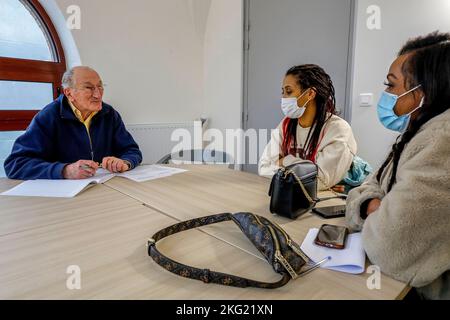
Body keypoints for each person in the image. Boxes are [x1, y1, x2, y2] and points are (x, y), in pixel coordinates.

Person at [345, 32, 450, 300]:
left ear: (424, 92)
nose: (386, 94)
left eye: (391, 85)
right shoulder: (417, 132)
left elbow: (390, 245)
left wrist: (370, 205)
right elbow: (371, 182)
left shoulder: (441, 140)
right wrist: (375, 205)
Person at [4, 66, 142, 180]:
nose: (98, 95)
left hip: (107, 188)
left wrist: (124, 163)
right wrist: (65, 170)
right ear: (69, 93)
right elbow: (15, 164)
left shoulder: (109, 114)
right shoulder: (48, 116)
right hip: (63, 197)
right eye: (89, 88)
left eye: (100, 87)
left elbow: (132, 150)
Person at [258, 64, 357, 191]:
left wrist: (285, 161)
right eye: (283, 92)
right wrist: (306, 171)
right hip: (292, 195)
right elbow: (264, 168)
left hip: (327, 201)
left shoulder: (337, 129)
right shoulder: (286, 124)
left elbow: (319, 181)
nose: (283, 98)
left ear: (310, 93)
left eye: (288, 91)